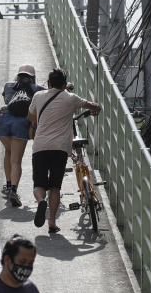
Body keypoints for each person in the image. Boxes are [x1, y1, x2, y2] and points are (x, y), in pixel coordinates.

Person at [28, 69, 100, 234]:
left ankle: (40, 202)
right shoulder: (71, 98)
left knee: (39, 184)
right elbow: (92, 105)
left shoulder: (38, 96)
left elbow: (30, 116)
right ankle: (52, 222)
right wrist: (97, 108)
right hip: (60, 148)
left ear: (48, 83)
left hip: (40, 147)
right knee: (55, 187)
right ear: (64, 84)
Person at [0, 65, 45, 207]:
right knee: (16, 160)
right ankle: (13, 190)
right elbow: (51, 94)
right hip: (21, 124)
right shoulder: (37, 89)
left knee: (8, 151)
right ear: (33, 77)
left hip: (2, 120)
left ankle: (7, 185)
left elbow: (6, 100)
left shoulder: (8, 85)